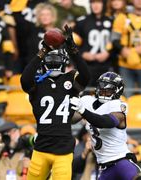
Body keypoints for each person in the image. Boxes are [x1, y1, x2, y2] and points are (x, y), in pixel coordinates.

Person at [21, 25, 90, 180]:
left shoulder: (69, 79)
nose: (54, 62)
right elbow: (24, 80)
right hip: (42, 148)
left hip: (63, 149)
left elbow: (86, 76)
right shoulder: (38, 82)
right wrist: (42, 51)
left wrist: (74, 50)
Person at [70, 72, 140, 180]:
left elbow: (105, 122)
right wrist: (69, 101)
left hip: (121, 161)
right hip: (104, 166)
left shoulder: (118, 105)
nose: (103, 91)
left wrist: (83, 111)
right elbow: (72, 120)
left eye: (108, 89)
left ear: (117, 90)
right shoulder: (87, 101)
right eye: (102, 88)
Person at [74, 0, 113, 86]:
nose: (96, 5)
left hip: (107, 66)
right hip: (87, 66)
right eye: (93, 2)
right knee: (85, 95)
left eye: (99, 2)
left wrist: (108, 53)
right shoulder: (81, 22)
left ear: (104, 4)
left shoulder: (112, 21)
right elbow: (72, 44)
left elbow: (116, 42)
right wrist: (82, 54)